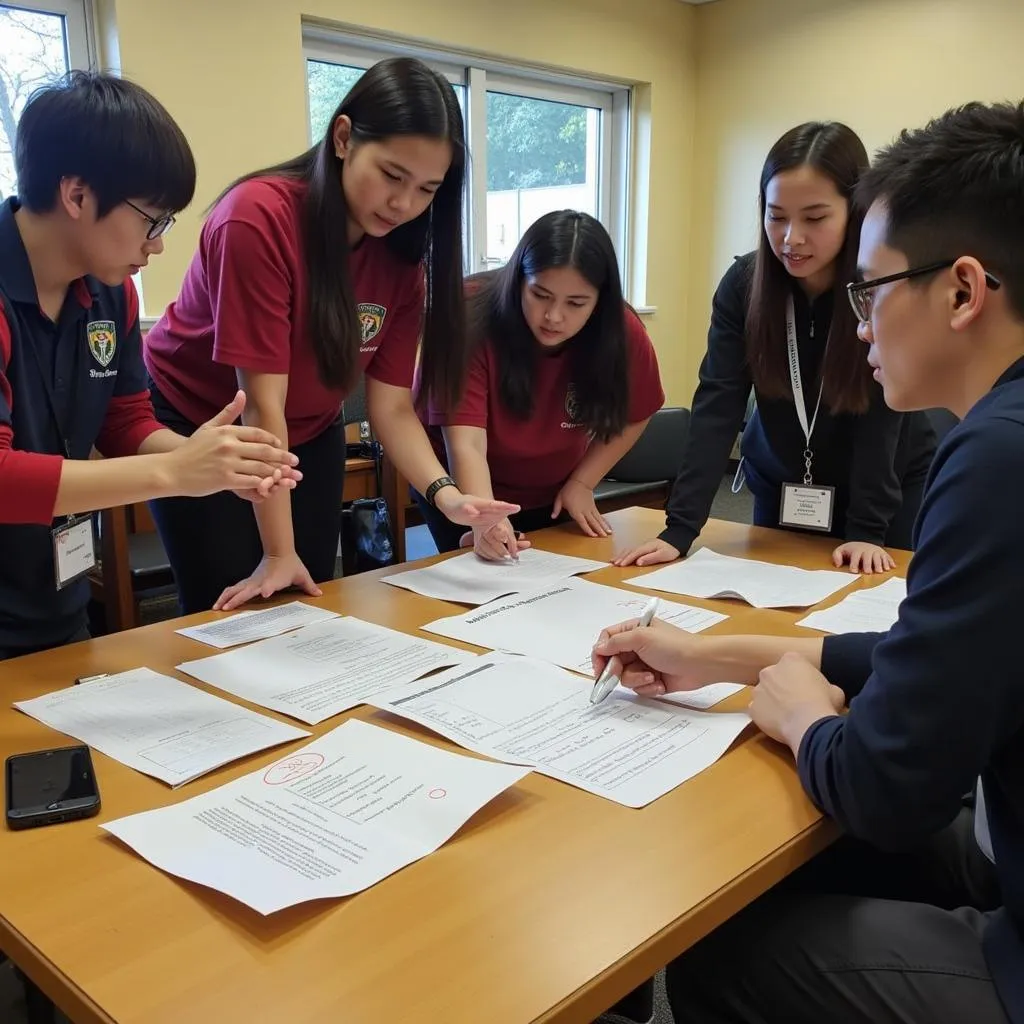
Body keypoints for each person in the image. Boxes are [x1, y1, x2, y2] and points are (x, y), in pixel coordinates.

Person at [593, 100, 1024, 1024]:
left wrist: (803, 720)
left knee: (717, 948)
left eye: (871, 291)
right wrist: (717, 654)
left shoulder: (994, 458)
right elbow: (940, 659)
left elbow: (884, 793)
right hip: (998, 836)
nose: (860, 325)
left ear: (961, 290)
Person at [144, 57, 515, 614]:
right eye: (392, 175)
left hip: (310, 431)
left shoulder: (401, 254)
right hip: (206, 422)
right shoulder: (257, 218)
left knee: (308, 594)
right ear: (343, 137)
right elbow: (260, 405)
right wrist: (276, 552)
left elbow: (391, 408)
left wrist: (449, 495)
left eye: (426, 189)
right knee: (228, 605)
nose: (404, 204)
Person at [0, 71, 300, 662]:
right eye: (151, 219)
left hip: (55, 603)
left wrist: (209, 460)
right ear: (78, 195)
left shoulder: (111, 293)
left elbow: (124, 421)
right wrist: (173, 473)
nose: (156, 245)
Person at [615, 122, 937, 575]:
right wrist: (680, 529)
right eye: (777, 215)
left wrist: (867, 528)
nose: (791, 238)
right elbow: (717, 404)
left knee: (870, 609)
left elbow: (883, 416)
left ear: (855, 210)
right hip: (785, 481)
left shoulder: (877, 287)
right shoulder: (745, 287)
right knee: (772, 603)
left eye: (815, 217)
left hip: (885, 487)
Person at [417, 210, 664, 560]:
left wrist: (583, 482)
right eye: (540, 295)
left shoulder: (621, 330)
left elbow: (639, 410)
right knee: (483, 572)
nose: (554, 317)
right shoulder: (468, 315)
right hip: (461, 484)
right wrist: (485, 521)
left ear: (600, 301)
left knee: (554, 578)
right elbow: (466, 444)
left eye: (576, 303)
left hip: (556, 483)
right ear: (518, 279)